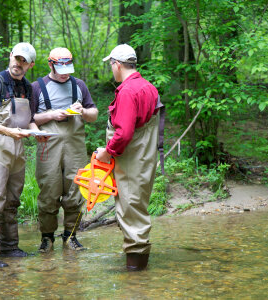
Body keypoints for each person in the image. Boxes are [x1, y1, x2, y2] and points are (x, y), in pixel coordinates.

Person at [0, 42, 46, 267]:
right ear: (10, 56)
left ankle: (9, 247)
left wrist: (38, 133)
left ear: (31, 65)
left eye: (24, 61)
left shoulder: (29, 88)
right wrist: (8, 131)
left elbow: (31, 119)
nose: (18, 63)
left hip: (18, 152)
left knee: (12, 201)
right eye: (16, 58)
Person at [96, 44, 163, 271]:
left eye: (111, 65)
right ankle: (139, 269)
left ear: (116, 64)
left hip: (132, 159)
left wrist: (106, 152)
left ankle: (135, 273)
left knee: (130, 208)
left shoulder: (127, 91)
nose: (111, 69)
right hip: (145, 158)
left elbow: (123, 133)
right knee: (137, 205)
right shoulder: (149, 87)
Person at [32, 47, 98, 252]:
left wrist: (83, 111)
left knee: (76, 190)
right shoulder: (37, 87)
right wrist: (52, 115)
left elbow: (94, 114)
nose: (66, 73)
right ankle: (47, 238)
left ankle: (71, 236)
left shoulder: (79, 85)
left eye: (69, 68)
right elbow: (29, 118)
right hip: (48, 147)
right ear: (50, 64)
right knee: (49, 191)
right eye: (62, 69)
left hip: (75, 147)